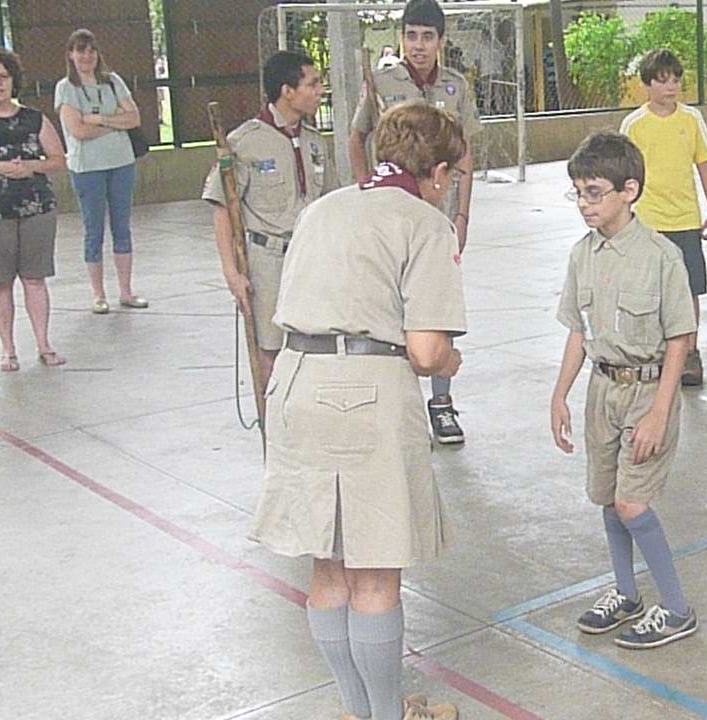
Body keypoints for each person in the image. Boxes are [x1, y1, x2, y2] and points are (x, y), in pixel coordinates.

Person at [249, 102, 466, 720]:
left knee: (328, 568)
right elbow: (426, 351)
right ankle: (390, 714)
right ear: (439, 173)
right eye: (451, 174)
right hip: (365, 393)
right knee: (373, 575)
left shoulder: (323, 208)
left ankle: (357, 710)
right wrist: (450, 362)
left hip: (295, 382)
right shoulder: (425, 223)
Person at [550, 132, 699, 649]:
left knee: (632, 503)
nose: (584, 204)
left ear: (629, 191)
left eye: (594, 192)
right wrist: (560, 394)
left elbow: (680, 339)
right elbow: (578, 329)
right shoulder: (581, 255)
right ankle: (626, 593)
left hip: (647, 391)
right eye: (578, 193)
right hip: (603, 390)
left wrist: (660, 412)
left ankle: (677, 608)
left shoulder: (661, 257)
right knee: (609, 501)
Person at [349, 0, 481, 445]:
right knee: (389, 304)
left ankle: (441, 402)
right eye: (411, 36)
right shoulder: (383, 83)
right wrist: (366, 187)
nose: (418, 46)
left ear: (441, 41)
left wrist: (462, 214)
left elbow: (465, 155)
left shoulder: (456, 86)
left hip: (438, 215)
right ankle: (394, 403)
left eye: (427, 37)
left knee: (438, 305)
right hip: (392, 216)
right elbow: (358, 136)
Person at [201, 51, 337, 393]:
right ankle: (272, 417)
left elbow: (330, 202)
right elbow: (222, 208)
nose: (320, 91)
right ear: (287, 91)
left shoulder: (314, 141)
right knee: (271, 349)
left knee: (316, 341)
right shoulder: (246, 142)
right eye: (312, 84)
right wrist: (232, 272)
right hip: (269, 258)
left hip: (311, 256)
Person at [619, 49, 707, 386]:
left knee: (690, 290)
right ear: (647, 85)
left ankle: (690, 353)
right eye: (663, 81)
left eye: (676, 80)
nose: (671, 87)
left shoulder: (691, 119)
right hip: (649, 223)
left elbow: (704, 165)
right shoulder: (634, 125)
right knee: (651, 292)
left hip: (686, 220)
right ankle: (655, 353)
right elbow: (622, 173)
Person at [0, 48, 67, 371]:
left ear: (14, 81)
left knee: (35, 278)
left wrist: (30, 167)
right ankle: (8, 349)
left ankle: (44, 344)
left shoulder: (34, 118)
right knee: (0, 282)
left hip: (36, 208)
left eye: (4, 76)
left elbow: (58, 160)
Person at [54, 28, 147, 315]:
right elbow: (79, 131)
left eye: (91, 50)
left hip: (121, 163)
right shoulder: (66, 88)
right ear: (71, 55)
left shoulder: (113, 81)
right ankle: (98, 294)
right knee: (93, 230)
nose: (87, 56)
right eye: (80, 50)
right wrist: (114, 122)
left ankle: (126, 291)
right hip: (88, 168)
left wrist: (99, 120)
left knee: (122, 227)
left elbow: (134, 118)